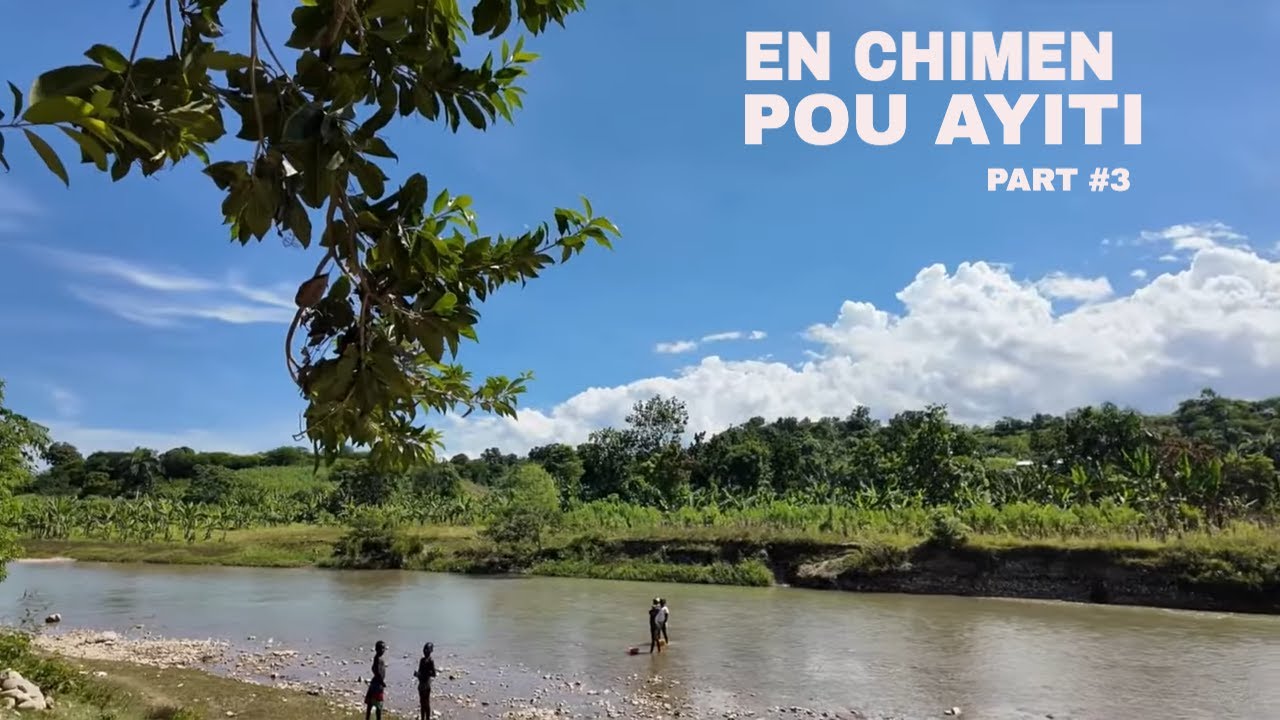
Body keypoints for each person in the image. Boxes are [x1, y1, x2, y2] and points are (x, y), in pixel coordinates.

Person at [413, 642, 438, 720]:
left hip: (426, 684)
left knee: (426, 703)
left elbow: (434, 674)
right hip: (421, 684)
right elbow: (420, 671)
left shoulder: (431, 661)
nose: (425, 651)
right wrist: (417, 674)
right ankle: (422, 718)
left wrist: (425, 673)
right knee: (422, 703)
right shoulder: (422, 660)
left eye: (427, 649)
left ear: (431, 651)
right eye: (424, 649)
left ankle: (427, 718)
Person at [365, 640, 388, 720]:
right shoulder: (378, 658)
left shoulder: (379, 658)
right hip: (377, 685)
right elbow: (377, 671)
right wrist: (382, 682)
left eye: (384, 648)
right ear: (377, 649)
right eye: (382, 648)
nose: (383, 650)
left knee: (372, 703)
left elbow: (373, 669)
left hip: (375, 683)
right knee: (377, 704)